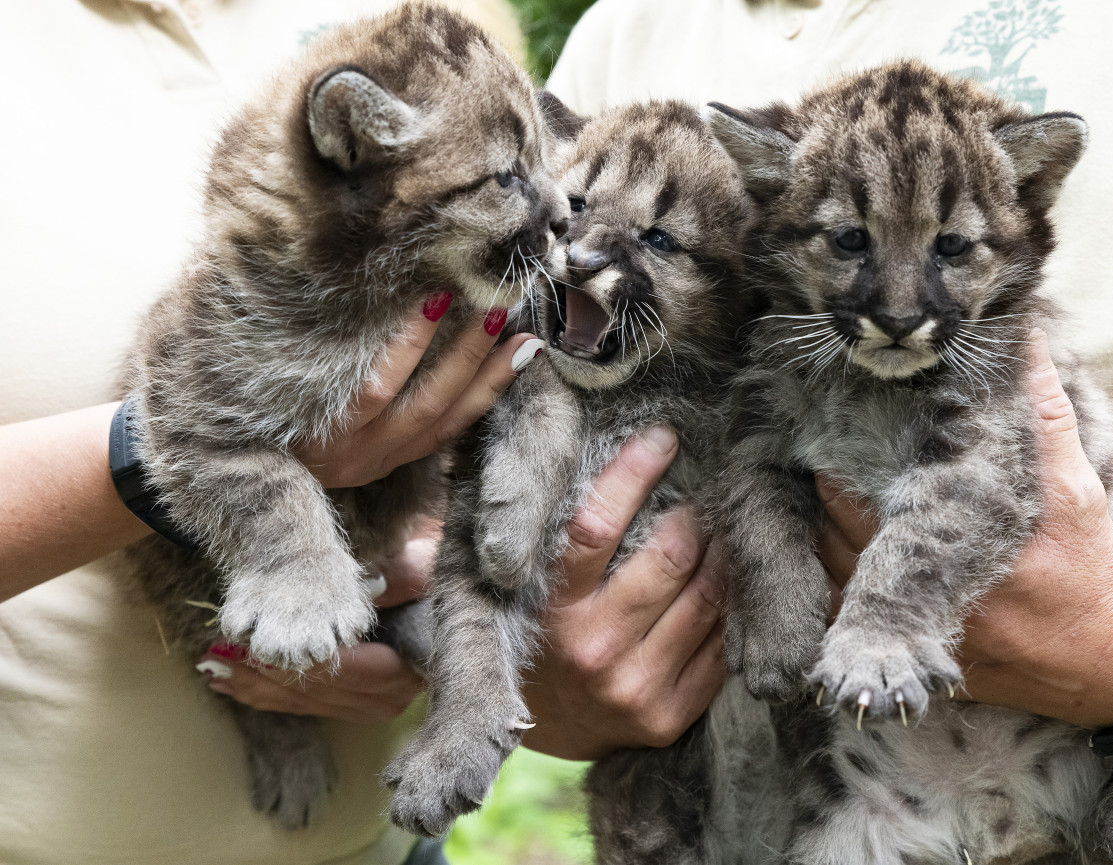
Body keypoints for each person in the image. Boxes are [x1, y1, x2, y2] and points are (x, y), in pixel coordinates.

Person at [544, 0, 1113, 852]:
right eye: (848, 243)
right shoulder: (625, 32)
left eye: (949, 250)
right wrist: (553, 682)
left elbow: (984, 480)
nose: (901, 310)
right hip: (838, 787)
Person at [0, 2, 726, 863]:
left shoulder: (452, 34)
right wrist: (243, 503)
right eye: (515, 183)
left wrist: (435, 600)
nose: (561, 224)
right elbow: (187, 398)